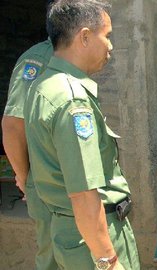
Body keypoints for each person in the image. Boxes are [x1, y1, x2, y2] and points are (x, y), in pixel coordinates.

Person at [24, 0, 139, 269]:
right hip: (93, 238)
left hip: (72, 232)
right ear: (85, 37)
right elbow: (84, 194)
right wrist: (108, 262)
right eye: (107, 36)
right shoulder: (72, 101)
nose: (110, 46)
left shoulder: (43, 85)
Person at [1, 1, 56, 268]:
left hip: (70, 185)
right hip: (48, 186)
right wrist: (25, 179)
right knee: (55, 257)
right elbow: (13, 124)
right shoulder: (38, 59)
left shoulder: (72, 59)